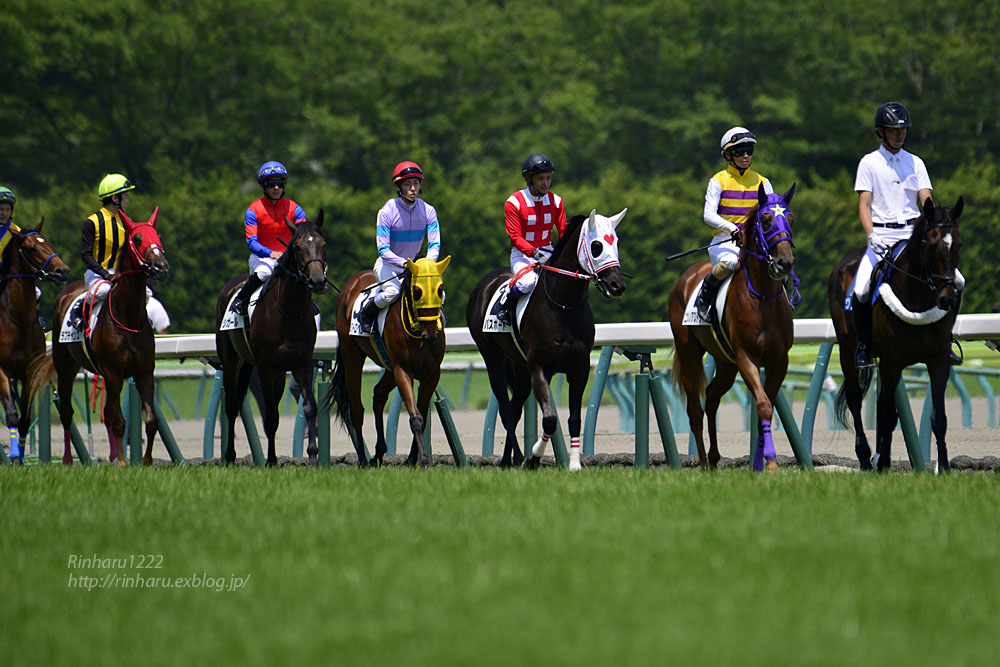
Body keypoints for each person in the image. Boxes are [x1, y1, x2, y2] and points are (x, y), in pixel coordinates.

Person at [851, 101, 963, 367]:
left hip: (914, 235)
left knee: (958, 281)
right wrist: (871, 236)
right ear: (881, 131)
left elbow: (926, 200)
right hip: (881, 236)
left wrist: (936, 227)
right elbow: (864, 205)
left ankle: (945, 340)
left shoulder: (916, 163)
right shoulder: (869, 163)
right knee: (861, 288)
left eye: (903, 129)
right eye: (893, 129)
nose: (900, 134)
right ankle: (864, 346)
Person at [697, 127, 773, 320]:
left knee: (780, 263)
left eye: (750, 151)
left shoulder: (763, 182)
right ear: (728, 154)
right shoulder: (718, 181)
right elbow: (708, 215)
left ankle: (784, 303)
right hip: (725, 241)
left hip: (755, 242)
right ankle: (704, 297)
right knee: (731, 263)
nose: (746, 156)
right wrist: (732, 228)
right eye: (740, 151)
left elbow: (772, 214)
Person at [357, 161, 442, 331]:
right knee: (393, 293)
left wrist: (426, 264)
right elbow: (383, 249)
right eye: (407, 184)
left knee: (440, 294)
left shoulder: (429, 211)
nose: (412, 189)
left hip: (417, 267)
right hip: (388, 266)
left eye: (416, 184)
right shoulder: (386, 212)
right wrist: (405, 264)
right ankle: (366, 311)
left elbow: (434, 244)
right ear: (399, 187)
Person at [496, 153, 567, 325]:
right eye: (540, 178)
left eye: (548, 178)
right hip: (522, 255)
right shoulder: (514, 202)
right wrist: (535, 254)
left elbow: (564, 231)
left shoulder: (556, 201)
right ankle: (505, 303)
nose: (545, 183)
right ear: (529, 179)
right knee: (528, 282)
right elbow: (515, 237)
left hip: (548, 253)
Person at [231, 161, 307, 316]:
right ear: (263, 186)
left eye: (279, 183)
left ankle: (309, 305)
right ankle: (240, 299)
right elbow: (252, 243)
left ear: (284, 185)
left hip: (288, 259)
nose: (276, 188)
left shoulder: (295, 209)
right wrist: (271, 253)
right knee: (265, 273)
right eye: (271, 184)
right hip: (262, 259)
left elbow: (304, 237)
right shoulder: (253, 210)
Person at [69, 174, 137, 329]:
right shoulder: (92, 222)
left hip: (120, 274)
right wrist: (106, 274)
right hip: (97, 274)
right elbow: (85, 255)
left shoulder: (127, 223)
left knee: (145, 292)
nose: (128, 201)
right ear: (115, 198)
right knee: (104, 290)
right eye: (125, 196)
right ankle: (80, 309)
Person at [0, 187, 48, 331]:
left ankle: (36, 319)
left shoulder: (17, 231)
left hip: (9, 276)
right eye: (1, 209)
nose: (4, 213)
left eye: (7, 210)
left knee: (37, 292)